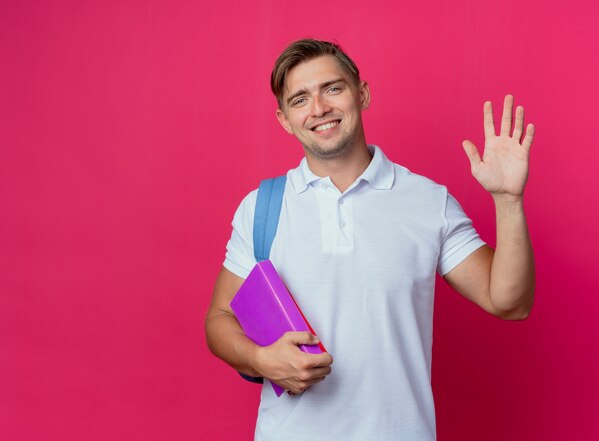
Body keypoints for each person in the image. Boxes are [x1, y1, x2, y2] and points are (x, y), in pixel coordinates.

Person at [205, 38, 535, 441]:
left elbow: (510, 302)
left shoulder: (428, 201)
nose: (319, 109)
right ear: (285, 120)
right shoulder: (261, 206)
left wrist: (508, 200)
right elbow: (219, 321)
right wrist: (260, 359)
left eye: (333, 88)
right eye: (300, 99)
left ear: (362, 94)